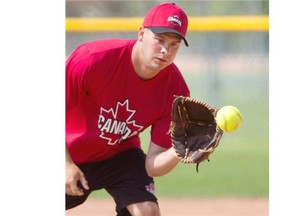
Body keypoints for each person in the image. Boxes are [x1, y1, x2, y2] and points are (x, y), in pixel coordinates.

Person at [66, 2, 190, 216]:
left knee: (147, 212)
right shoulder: (92, 59)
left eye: (174, 44)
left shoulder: (176, 92)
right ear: (141, 34)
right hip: (70, 149)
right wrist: (64, 164)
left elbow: (152, 166)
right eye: (159, 40)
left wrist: (181, 149)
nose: (165, 50)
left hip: (120, 154)